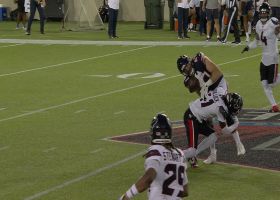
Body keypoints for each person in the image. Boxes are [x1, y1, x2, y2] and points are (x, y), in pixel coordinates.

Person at [177, 53, 245, 166]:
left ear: (190, 62)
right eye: (183, 70)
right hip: (209, 98)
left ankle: (238, 143)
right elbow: (201, 95)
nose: (186, 70)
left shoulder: (199, 60)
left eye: (186, 67)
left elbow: (217, 73)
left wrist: (206, 85)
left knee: (227, 112)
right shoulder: (189, 79)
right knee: (214, 120)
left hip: (218, 85)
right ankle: (212, 153)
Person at [119, 113, 189, 200]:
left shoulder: (156, 151)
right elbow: (185, 191)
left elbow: (148, 178)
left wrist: (126, 196)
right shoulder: (180, 154)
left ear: (153, 132)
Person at [182, 88, 245, 166]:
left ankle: (193, 154)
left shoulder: (220, 90)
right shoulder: (221, 109)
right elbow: (224, 131)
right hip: (191, 117)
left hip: (198, 117)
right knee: (191, 151)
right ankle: (175, 157)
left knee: (213, 136)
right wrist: (236, 124)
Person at [242, 2, 280, 112]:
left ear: (268, 13)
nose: (263, 14)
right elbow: (257, 41)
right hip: (264, 58)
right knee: (264, 83)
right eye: (261, 12)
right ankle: (274, 106)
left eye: (265, 12)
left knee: (271, 83)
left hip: (273, 57)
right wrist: (248, 47)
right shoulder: (258, 24)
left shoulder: (273, 22)